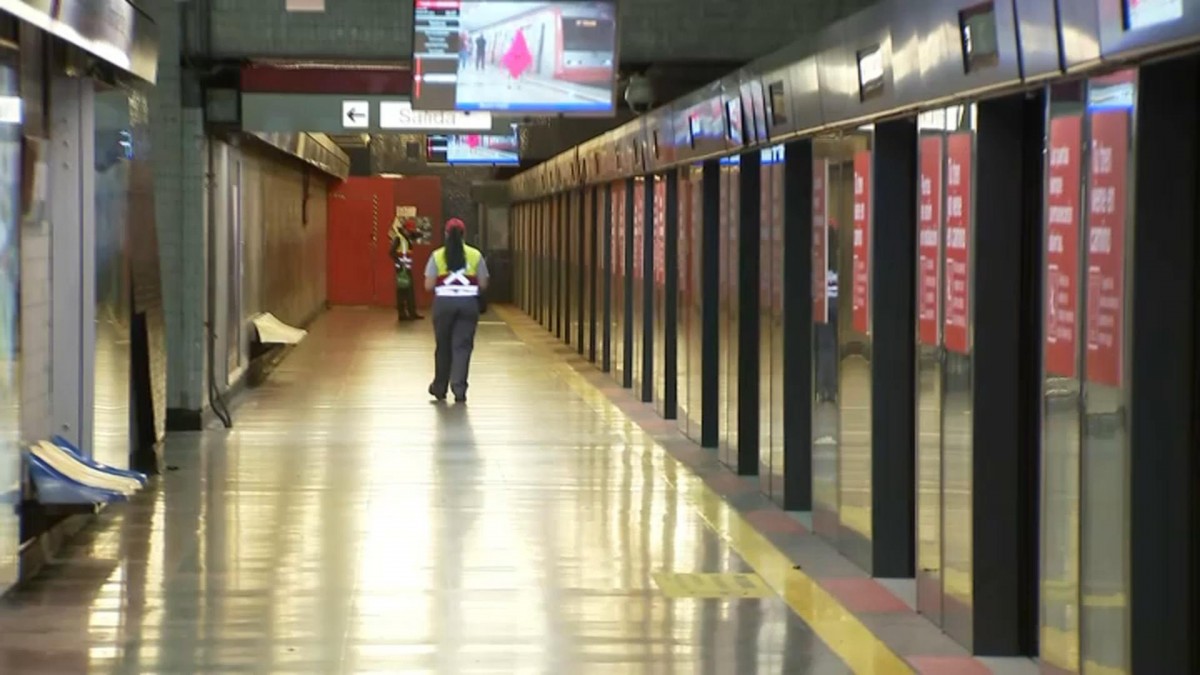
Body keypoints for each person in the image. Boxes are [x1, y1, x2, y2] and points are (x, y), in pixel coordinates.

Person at [425, 218, 489, 403]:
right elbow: (483, 284)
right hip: (468, 306)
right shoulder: (475, 255)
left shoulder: (437, 255)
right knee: (462, 347)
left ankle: (439, 387)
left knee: (443, 346)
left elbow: (429, 285)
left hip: (443, 306)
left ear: (445, 234)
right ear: (464, 235)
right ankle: (459, 388)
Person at [389, 218, 422, 321]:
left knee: (409, 290)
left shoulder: (407, 237)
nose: (410, 232)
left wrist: (417, 232)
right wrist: (398, 263)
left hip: (406, 268)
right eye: (409, 230)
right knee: (403, 291)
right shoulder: (399, 238)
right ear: (404, 230)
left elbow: (416, 235)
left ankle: (412, 313)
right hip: (401, 269)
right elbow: (391, 252)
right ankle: (402, 314)